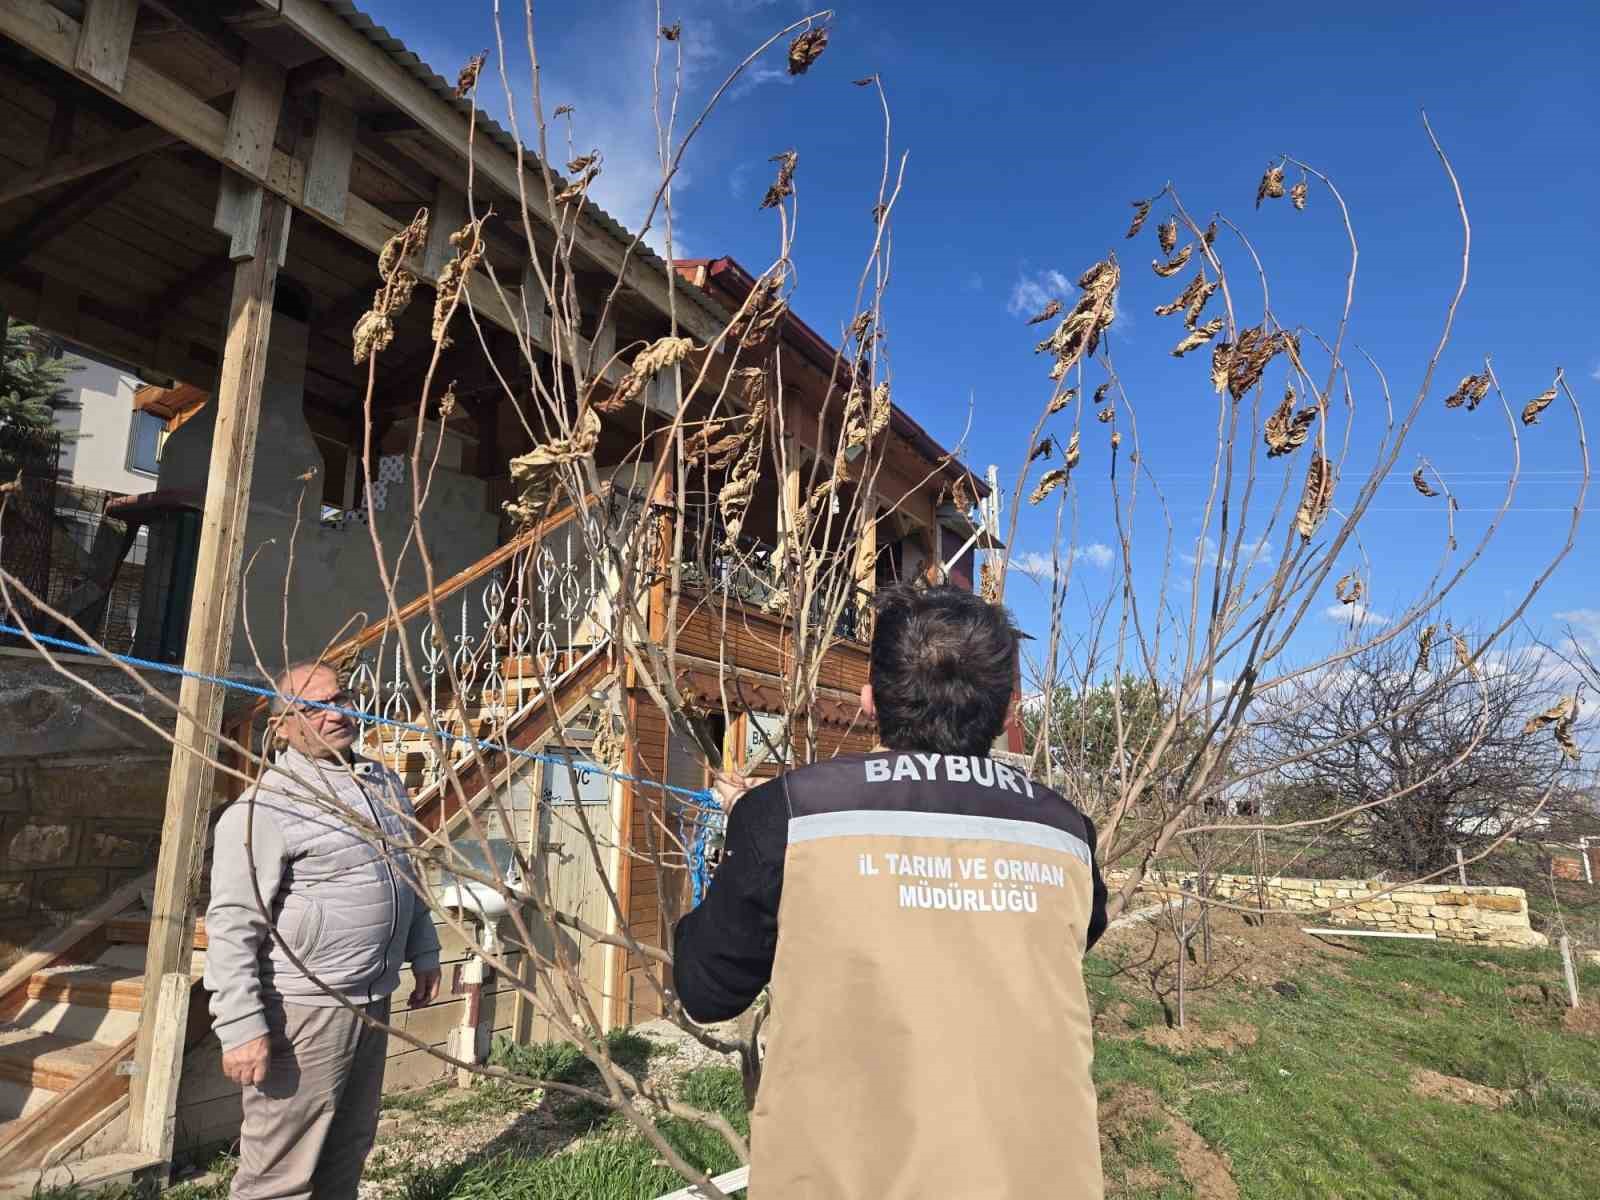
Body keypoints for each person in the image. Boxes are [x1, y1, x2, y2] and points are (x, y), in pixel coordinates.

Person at [673, 584, 1109, 1199]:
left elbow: (707, 989)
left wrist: (750, 838)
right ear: (1010, 709)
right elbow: (1064, 943)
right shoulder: (1066, 831)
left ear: (869, 699)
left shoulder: (787, 815)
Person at [205, 662, 441, 1200]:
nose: (336, 713)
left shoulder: (381, 781)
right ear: (281, 726)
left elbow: (406, 869)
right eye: (312, 707)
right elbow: (232, 924)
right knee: (279, 1172)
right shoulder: (264, 808)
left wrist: (423, 948)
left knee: (348, 1147)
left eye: (343, 697)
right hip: (304, 1009)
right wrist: (241, 1025)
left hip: (373, 997)